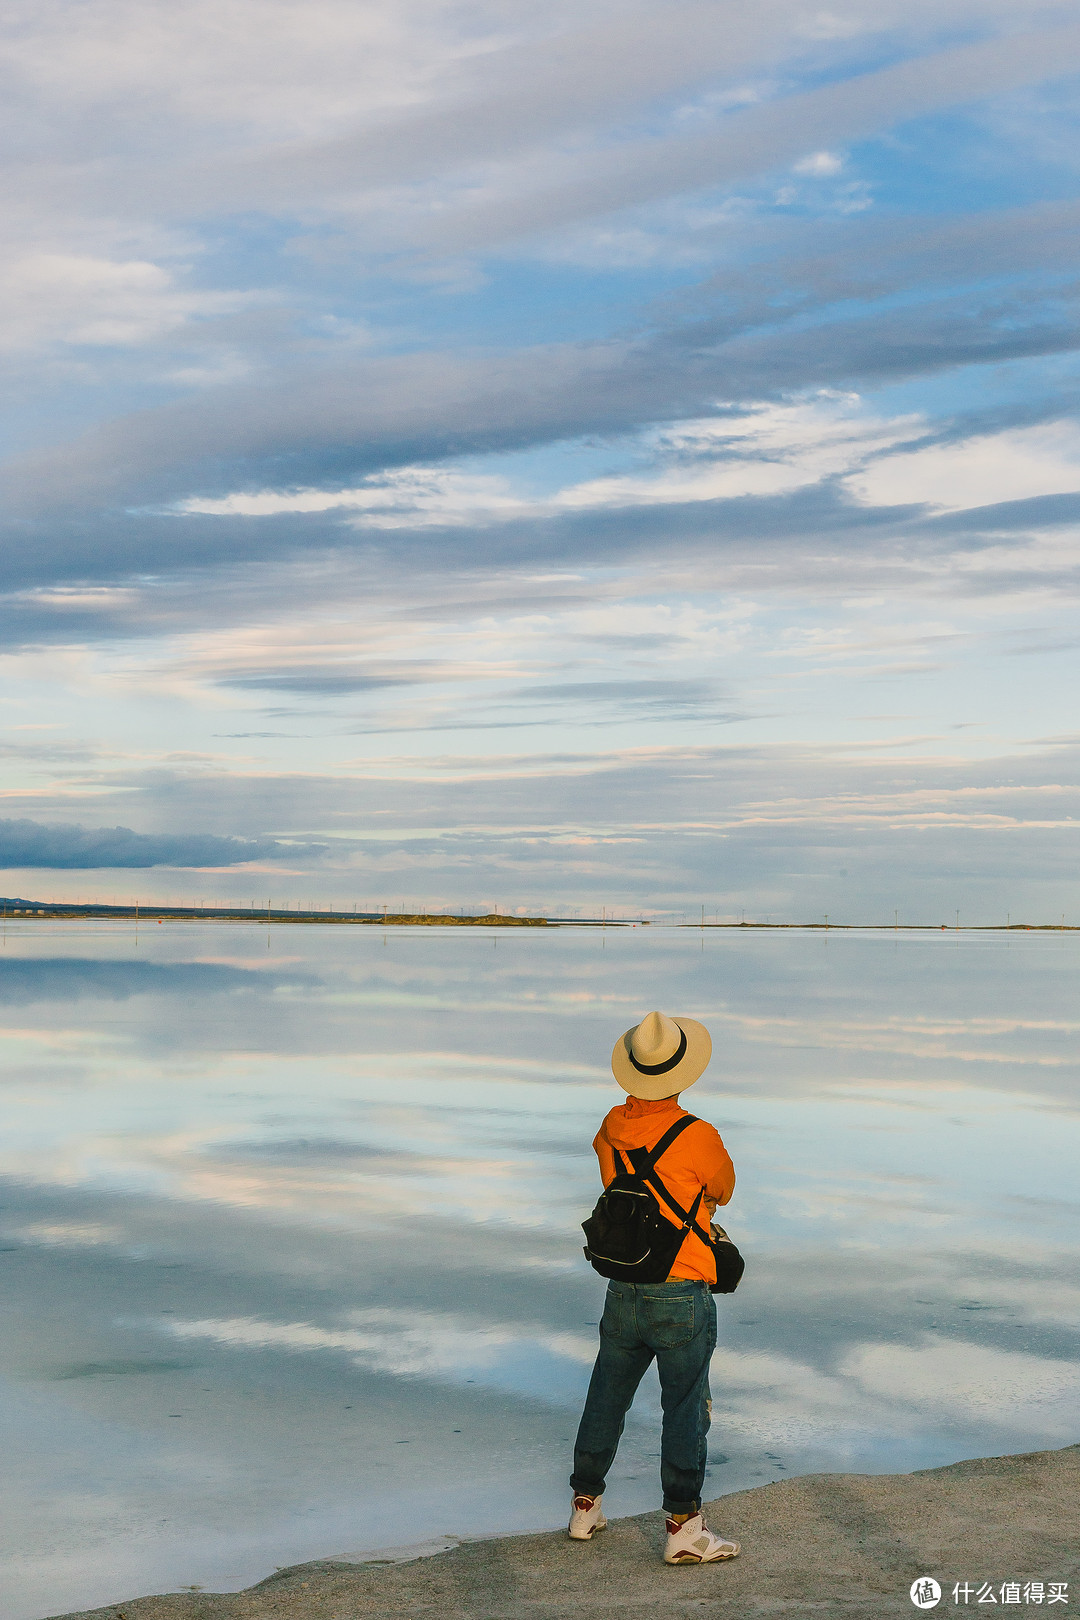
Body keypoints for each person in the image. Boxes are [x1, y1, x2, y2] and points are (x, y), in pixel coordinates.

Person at [568, 1009, 740, 1566]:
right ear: (681, 1073)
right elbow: (724, 1188)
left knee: (606, 1397)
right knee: (685, 1407)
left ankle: (585, 1505)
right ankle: (684, 1525)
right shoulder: (698, 1134)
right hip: (681, 1289)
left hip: (624, 1285)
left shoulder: (611, 1128)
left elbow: (615, 1188)